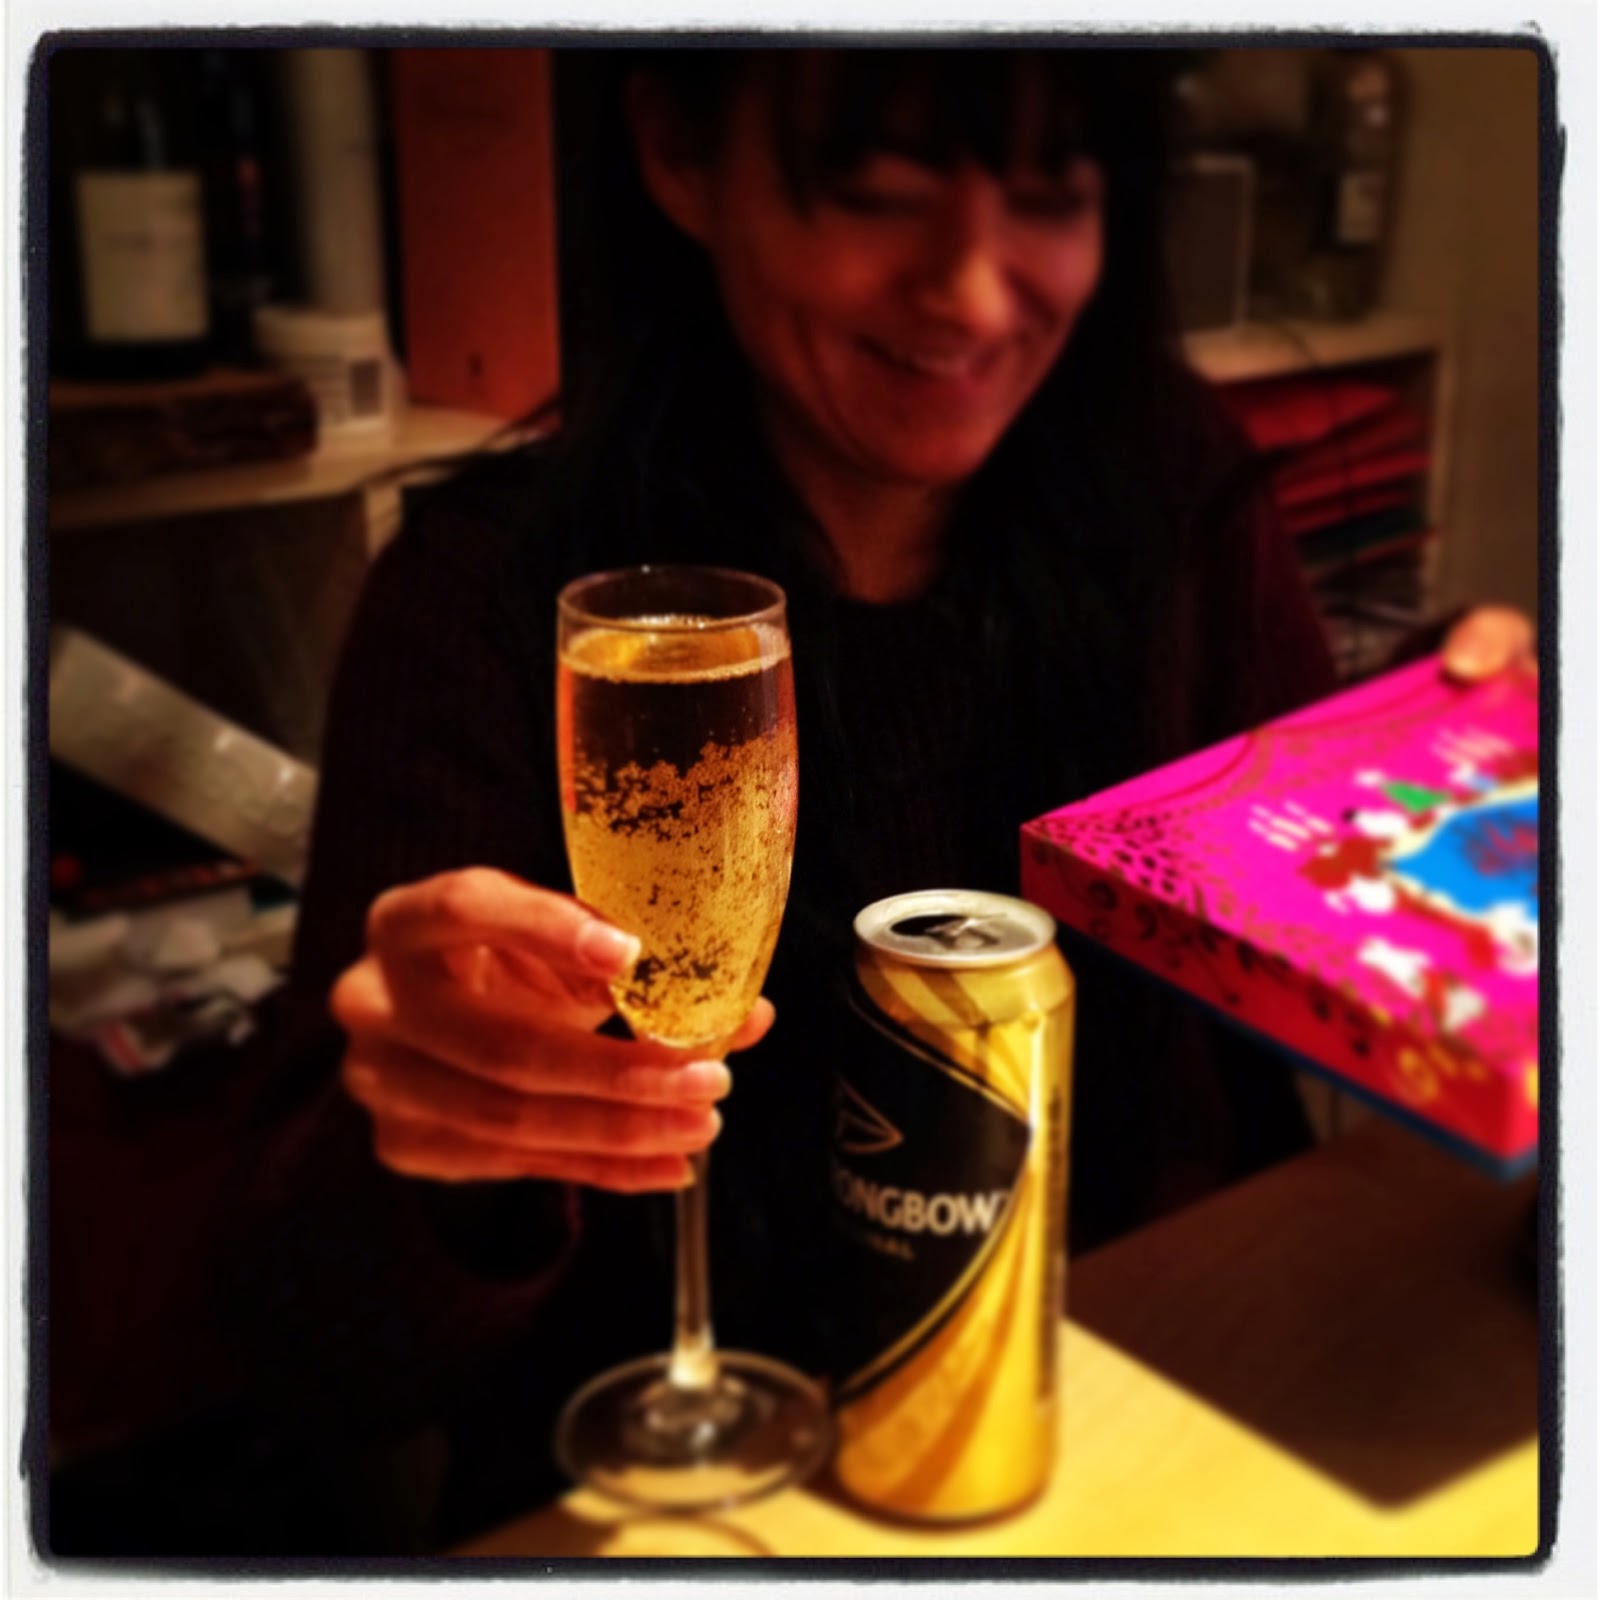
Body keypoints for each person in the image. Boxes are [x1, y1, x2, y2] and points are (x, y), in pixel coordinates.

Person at [222, 47, 1534, 1552]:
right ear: (682, 156)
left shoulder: (1175, 492)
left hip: (1162, 1418)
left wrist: (1475, 771)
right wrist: (432, 1140)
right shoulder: (493, 599)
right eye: (876, 189)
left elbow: (1320, 888)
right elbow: (318, 1350)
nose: (971, 293)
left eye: (1052, 192)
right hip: (689, 1514)